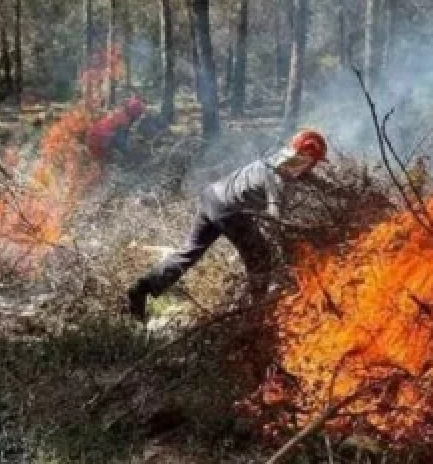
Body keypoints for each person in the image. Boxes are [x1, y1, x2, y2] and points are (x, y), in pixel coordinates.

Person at [126, 129, 329, 321]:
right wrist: (292, 242)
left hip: (210, 197)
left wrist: (341, 191)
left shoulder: (274, 161)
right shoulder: (275, 179)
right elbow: (275, 218)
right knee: (260, 256)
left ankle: (140, 290)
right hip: (229, 211)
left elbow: (304, 176)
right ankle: (256, 313)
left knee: (188, 253)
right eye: (313, 163)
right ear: (303, 157)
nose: (313, 168)